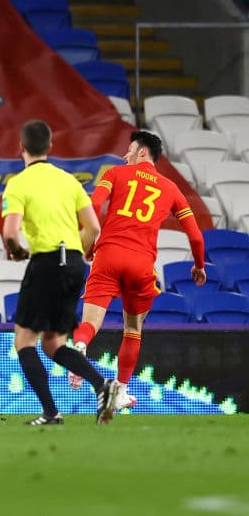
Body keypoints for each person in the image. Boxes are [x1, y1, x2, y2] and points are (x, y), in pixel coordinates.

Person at [69, 130, 207, 410]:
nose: (125, 154)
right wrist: (199, 265)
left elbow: (93, 205)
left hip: (107, 255)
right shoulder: (171, 189)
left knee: (90, 324)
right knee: (133, 328)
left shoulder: (115, 174)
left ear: (143, 152)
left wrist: (84, 241)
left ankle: (80, 349)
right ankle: (120, 391)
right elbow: (195, 236)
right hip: (141, 262)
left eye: (129, 149)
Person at [1, 119, 119, 425]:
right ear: (50, 147)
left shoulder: (19, 184)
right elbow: (93, 227)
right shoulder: (70, 181)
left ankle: (51, 412)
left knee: (24, 342)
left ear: (21, 147)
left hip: (47, 263)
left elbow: (10, 233)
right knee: (53, 343)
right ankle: (102, 385)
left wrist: (16, 250)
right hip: (75, 265)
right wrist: (73, 253)